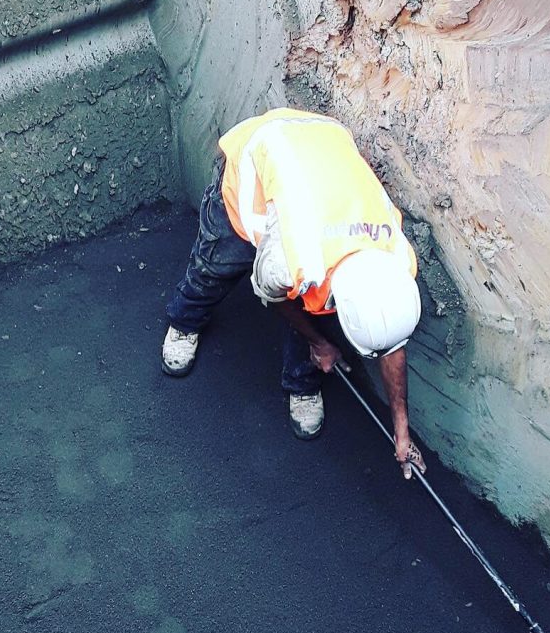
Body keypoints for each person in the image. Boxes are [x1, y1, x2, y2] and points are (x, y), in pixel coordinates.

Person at [162, 107, 426, 479]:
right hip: (260, 158)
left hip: (324, 144)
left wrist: (401, 428)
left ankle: (302, 382)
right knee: (215, 267)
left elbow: (391, 338)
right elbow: (271, 296)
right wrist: (320, 343)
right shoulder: (289, 264)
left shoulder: (395, 261)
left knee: (315, 314)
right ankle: (184, 320)